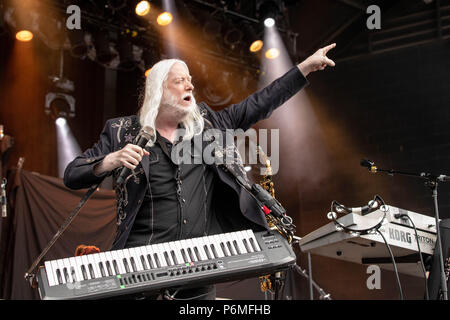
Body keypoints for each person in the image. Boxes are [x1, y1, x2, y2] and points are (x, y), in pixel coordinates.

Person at [63, 43, 336, 300]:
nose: (190, 84)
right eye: (180, 80)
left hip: (198, 268)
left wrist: (305, 68)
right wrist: (109, 161)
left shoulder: (209, 127)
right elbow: (72, 174)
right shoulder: (121, 132)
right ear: (158, 89)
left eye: (190, 79)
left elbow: (260, 103)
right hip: (138, 265)